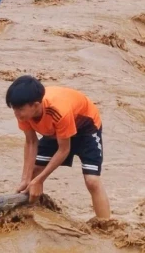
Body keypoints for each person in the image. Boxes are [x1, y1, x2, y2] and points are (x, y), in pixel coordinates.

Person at [6, 76, 110, 219]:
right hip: (56, 132)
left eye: (20, 109)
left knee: (92, 181)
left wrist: (39, 180)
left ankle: (106, 225)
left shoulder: (58, 111)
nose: (16, 114)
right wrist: (26, 178)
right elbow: (31, 142)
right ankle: (33, 217)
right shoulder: (24, 114)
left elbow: (64, 150)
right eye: (14, 109)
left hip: (86, 129)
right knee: (33, 173)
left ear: (36, 105)